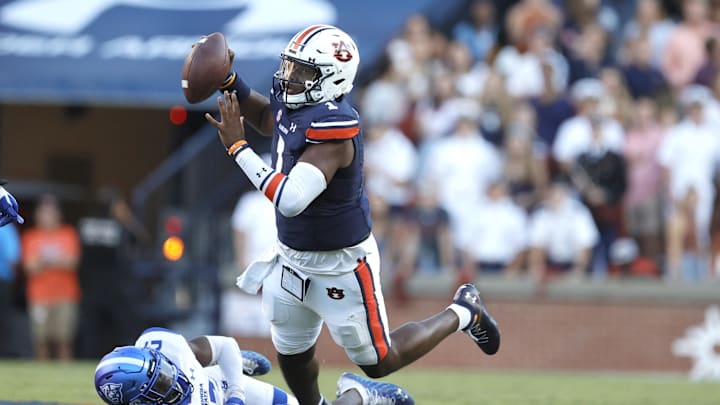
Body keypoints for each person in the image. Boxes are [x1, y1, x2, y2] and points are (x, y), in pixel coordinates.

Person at [203, 24, 500, 405]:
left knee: (378, 361)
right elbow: (268, 118)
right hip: (291, 256)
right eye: (290, 67)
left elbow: (292, 199)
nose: (289, 78)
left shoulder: (336, 126)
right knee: (292, 355)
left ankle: (463, 312)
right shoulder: (295, 101)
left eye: (302, 72)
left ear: (332, 78)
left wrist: (237, 148)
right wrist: (229, 81)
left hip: (341, 263)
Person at [94, 327, 414, 405]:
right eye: (161, 384)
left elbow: (223, 345)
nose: (172, 378)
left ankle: (357, 391)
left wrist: (234, 393)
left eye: (162, 370)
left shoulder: (169, 349)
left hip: (223, 387)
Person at [21, 193, 81, 360]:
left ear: (58, 215)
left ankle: (65, 378)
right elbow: (29, 266)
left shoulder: (68, 233)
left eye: (51, 212)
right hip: (39, 296)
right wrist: (57, 260)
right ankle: (40, 378)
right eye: (44, 212)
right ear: (37, 215)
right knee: (41, 340)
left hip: (65, 295)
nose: (48, 217)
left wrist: (44, 260)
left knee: (64, 340)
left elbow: (72, 262)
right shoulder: (30, 236)